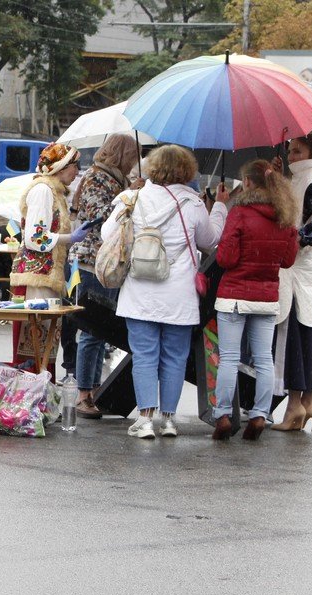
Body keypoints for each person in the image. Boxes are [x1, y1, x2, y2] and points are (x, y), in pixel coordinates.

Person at [103, 144, 228, 439]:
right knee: (175, 356)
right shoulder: (194, 204)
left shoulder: (132, 199)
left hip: (140, 291)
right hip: (179, 294)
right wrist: (220, 206)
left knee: (145, 355)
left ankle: (145, 419)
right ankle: (169, 420)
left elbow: (109, 235)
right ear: (187, 170)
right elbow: (210, 241)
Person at [211, 160, 299, 441]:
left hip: (234, 296)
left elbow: (225, 258)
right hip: (266, 297)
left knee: (229, 358)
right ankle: (260, 414)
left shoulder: (240, 214)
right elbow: (287, 260)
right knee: (264, 359)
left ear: (247, 183)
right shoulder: (284, 216)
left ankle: (223, 415)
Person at [69, 132, 141, 419]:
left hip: (107, 262)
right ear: (121, 154)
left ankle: (94, 388)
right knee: (92, 328)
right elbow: (99, 217)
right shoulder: (98, 178)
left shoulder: (112, 179)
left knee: (102, 329)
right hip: (93, 261)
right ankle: (84, 392)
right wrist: (127, 198)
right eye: (132, 156)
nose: (135, 163)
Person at [273, 133, 312, 431]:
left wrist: (297, 239)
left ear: (311, 151)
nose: (291, 156)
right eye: (290, 150)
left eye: (297, 151)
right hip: (311, 272)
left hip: (301, 271)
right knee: (311, 335)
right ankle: (308, 402)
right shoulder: (307, 178)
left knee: (296, 336)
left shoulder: (311, 180)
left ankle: (294, 407)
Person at [12, 143, 80, 305]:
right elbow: (36, 239)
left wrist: (75, 210)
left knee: (49, 329)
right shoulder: (43, 190)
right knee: (38, 329)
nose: (77, 172)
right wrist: (70, 237)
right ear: (61, 167)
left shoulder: (56, 192)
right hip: (37, 278)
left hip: (48, 276)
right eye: (75, 166)